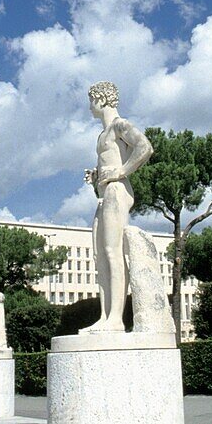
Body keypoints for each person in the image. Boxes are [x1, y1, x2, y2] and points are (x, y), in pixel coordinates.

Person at [81, 81, 153, 333]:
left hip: (117, 192)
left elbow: (145, 147)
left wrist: (121, 171)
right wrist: (97, 176)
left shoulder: (120, 125)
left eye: (91, 100)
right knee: (100, 256)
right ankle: (104, 316)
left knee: (112, 253)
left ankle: (116, 319)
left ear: (101, 99)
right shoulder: (102, 134)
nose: (89, 107)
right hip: (104, 195)